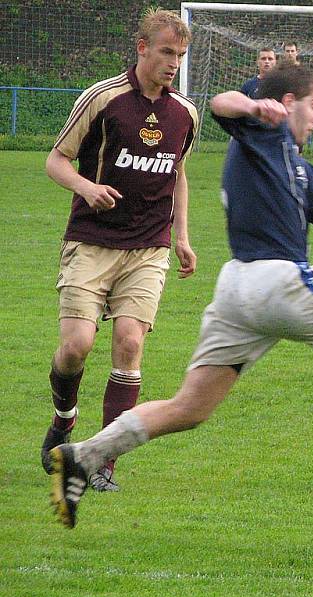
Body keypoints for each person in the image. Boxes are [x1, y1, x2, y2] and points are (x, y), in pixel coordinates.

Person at [48, 62, 313, 530]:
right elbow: (222, 103)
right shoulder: (262, 131)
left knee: (190, 408)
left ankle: (83, 454)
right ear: (287, 104)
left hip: (237, 292)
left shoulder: (293, 162)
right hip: (276, 282)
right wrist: (253, 104)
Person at [40, 7, 199, 493]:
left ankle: (103, 460)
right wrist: (87, 188)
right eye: (167, 52)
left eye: (181, 55)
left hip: (148, 247)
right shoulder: (104, 99)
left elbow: (178, 175)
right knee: (76, 347)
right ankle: (64, 420)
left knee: (130, 343)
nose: (174, 63)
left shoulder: (185, 113)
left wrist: (183, 236)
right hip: (92, 241)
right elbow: (56, 159)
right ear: (143, 48)